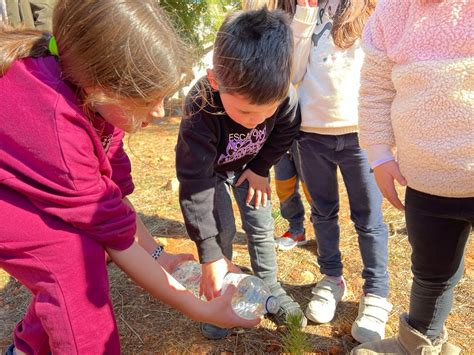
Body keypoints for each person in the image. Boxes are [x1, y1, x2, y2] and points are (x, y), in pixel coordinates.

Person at [0, 1, 260, 354]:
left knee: (84, 247)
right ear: (100, 86)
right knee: (73, 259)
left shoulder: (101, 104)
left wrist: (158, 256)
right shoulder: (59, 125)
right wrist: (197, 307)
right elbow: (112, 233)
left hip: (28, 171)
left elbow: (113, 197)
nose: (158, 111)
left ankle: (28, 349)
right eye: (149, 99)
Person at [176, 7, 306, 340]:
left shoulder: (284, 95)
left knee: (261, 227)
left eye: (268, 111)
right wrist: (208, 253)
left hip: (251, 170)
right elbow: (195, 183)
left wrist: (260, 169)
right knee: (222, 231)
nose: (256, 120)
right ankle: (222, 295)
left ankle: (271, 289)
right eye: (246, 111)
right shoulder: (201, 105)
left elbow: (286, 129)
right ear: (216, 80)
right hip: (212, 173)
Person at [351, 0, 473, 353]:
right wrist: (379, 154)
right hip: (425, 180)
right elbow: (375, 88)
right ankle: (419, 343)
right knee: (431, 274)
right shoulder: (390, 13)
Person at [290, 0, 392, 344]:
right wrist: (304, 17)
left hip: (359, 136)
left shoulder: (374, 11)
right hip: (311, 135)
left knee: (368, 218)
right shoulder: (305, 13)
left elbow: (383, 73)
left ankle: (377, 292)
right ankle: (331, 277)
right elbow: (292, 73)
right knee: (322, 213)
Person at [241, 0, 311, 252]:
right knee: (283, 180)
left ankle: (322, 227)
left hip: (304, 117)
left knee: (310, 180)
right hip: (275, 118)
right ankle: (295, 227)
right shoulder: (263, 13)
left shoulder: (308, 14)